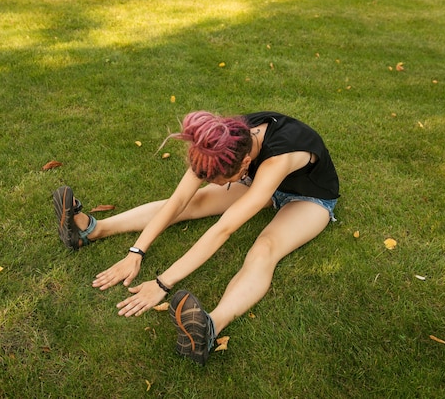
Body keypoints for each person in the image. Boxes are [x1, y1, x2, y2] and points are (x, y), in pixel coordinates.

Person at [53, 110, 340, 365]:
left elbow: (223, 229)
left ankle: (209, 329)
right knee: (197, 201)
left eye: (220, 180)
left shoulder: (279, 157)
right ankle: (91, 230)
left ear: (245, 166)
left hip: (308, 198)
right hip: (261, 183)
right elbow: (178, 201)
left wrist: (162, 283)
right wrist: (136, 252)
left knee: (265, 248)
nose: (212, 182)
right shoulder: (220, 142)